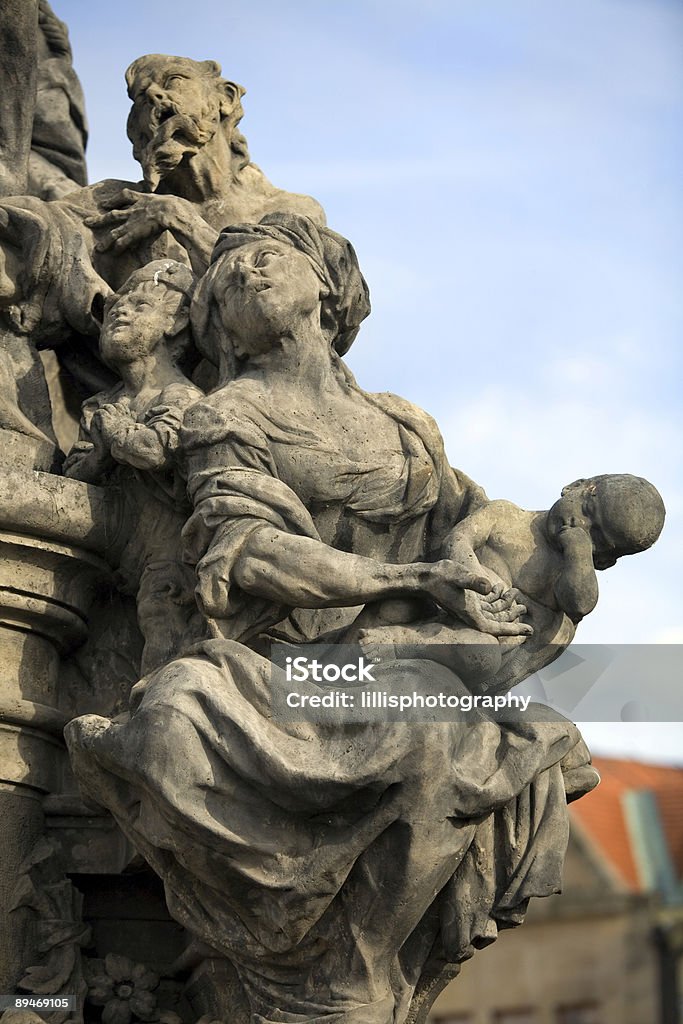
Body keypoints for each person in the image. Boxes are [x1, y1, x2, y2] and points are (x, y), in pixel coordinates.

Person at [65, 214, 598, 1024]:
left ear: (326, 283)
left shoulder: (406, 426)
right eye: (224, 279)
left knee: (461, 722)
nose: (244, 276)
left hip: (405, 657)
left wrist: (567, 551)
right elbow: (246, 549)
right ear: (215, 325)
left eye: (265, 259)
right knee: (195, 712)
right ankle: (324, 968)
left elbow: (483, 528)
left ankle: (360, 968)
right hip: (287, 663)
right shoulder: (226, 417)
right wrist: (414, 577)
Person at [0, 53, 325, 443]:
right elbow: (43, 231)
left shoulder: (287, 211)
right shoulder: (115, 204)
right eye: (139, 98)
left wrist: (179, 218)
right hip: (124, 411)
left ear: (224, 97)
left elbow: (276, 315)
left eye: (173, 81)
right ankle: (24, 447)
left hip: (250, 418)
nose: (153, 96)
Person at [350, 473, 666, 694]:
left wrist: (578, 553)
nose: (579, 526)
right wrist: (474, 574)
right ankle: (331, 666)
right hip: (446, 603)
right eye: (586, 511)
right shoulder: (507, 515)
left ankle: (401, 642)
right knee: (398, 602)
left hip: (474, 647)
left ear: (605, 560)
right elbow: (459, 540)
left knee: (481, 655)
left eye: (595, 536)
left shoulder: (564, 584)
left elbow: (581, 602)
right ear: (577, 486)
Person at [64, 259, 203, 673]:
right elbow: (73, 476)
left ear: (173, 324)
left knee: (161, 620)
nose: (120, 312)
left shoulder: (181, 396)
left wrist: (119, 436)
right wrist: (101, 454)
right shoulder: (100, 404)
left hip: (171, 556)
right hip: (118, 556)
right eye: (113, 311)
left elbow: (159, 451)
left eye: (139, 306)